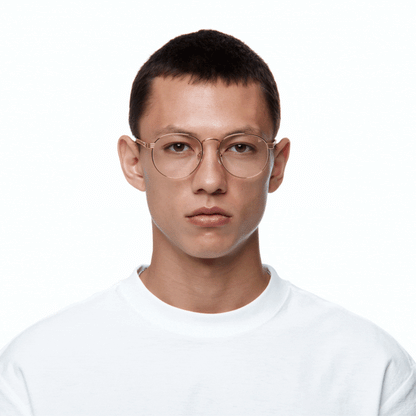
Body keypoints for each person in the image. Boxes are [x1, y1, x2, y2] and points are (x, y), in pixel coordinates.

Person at [0, 29, 415, 416]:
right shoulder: (38, 369)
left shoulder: (368, 368)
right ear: (134, 162)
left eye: (240, 147)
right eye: (178, 146)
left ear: (276, 165)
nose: (211, 181)